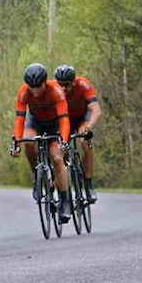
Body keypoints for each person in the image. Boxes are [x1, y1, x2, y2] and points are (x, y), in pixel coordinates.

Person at [11, 62, 72, 223]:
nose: (35, 90)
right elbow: (20, 119)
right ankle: (37, 174)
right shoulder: (24, 92)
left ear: (45, 82)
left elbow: (64, 120)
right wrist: (16, 141)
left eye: (38, 86)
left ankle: (65, 201)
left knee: (57, 158)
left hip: (55, 124)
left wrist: (64, 141)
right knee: (28, 142)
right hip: (35, 121)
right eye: (32, 86)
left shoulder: (56, 91)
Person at [53, 64, 101, 203]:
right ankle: (64, 186)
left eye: (66, 85)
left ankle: (88, 184)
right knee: (60, 151)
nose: (63, 88)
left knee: (85, 142)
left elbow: (96, 110)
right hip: (63, 120)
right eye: (60, 84)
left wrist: (89, 128)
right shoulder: (52, 89)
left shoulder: (83, 84)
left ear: (74, 82)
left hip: (82, 118)